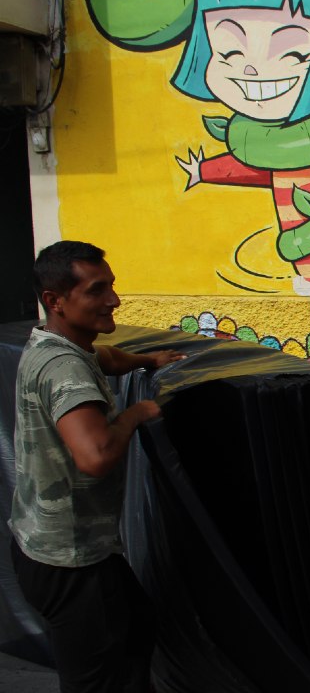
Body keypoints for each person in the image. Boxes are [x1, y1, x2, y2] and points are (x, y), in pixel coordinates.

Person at [9, 241, 183, 692]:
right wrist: (138, 412)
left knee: (137, 628)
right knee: (94, 680)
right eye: (96, 290)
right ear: (55, 300)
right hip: (71, 561)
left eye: (112, 287)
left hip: (57, 549)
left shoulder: (54, 345)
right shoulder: (65, 369)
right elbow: (96, 457)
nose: (114, 300)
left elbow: (106, 359)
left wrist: (148, 360)